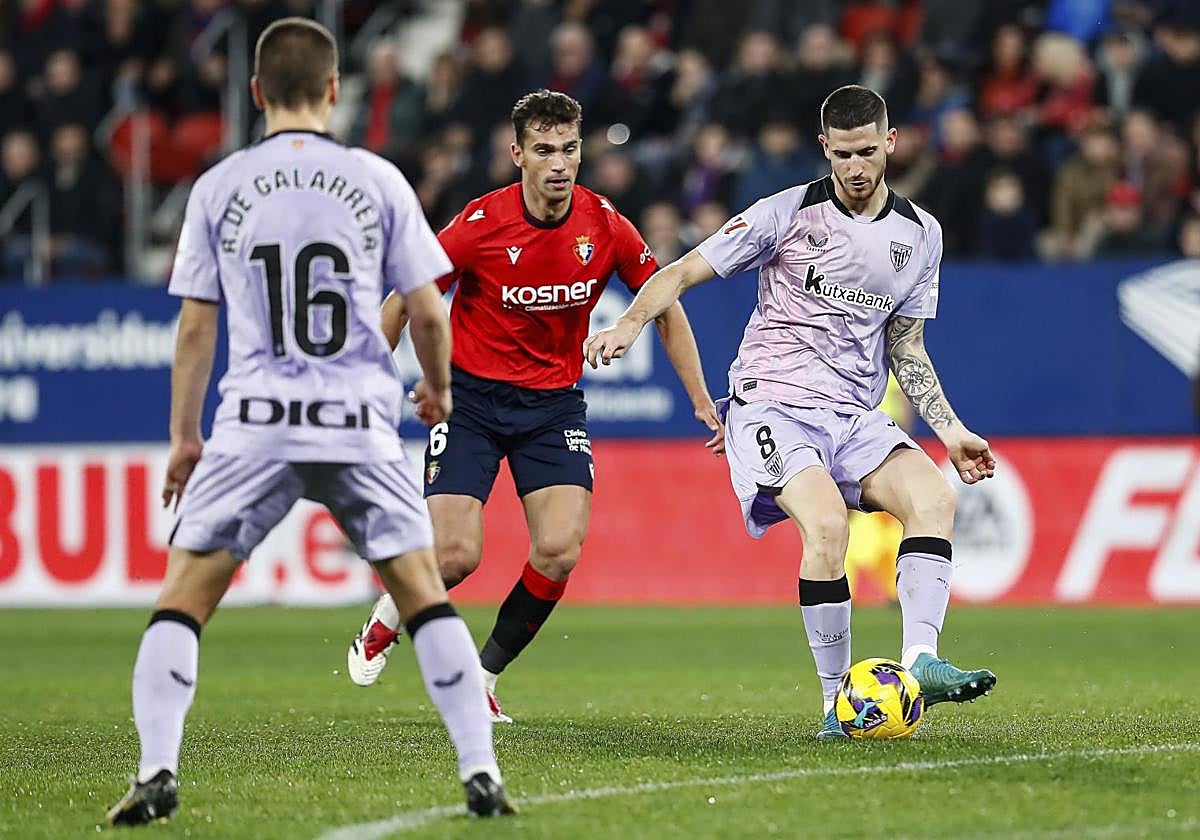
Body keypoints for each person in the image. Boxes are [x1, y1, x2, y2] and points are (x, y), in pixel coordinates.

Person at [106, 19, 513, 825]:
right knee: (423, 597)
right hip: (357, 417)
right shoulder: (378, 179)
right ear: (333, 90)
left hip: (255, 421)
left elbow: (195, 328)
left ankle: (157, 768)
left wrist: (185, 438)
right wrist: (438, 390)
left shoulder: (219, 185)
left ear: (256, 94)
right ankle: (480, 774)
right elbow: (430, 309)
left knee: (182, 601)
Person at [584, 85, 997, 739]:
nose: (856, 168)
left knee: (934, 499)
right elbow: (682, 272)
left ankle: (921, 662)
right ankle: (836, 701)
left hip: (853, 413)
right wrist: (631, 324)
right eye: (843, 155)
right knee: (828, 528)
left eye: (868, 152)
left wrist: (952, 430)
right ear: (824, 149)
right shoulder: (784, 215)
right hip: (772, 405)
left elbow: (907, 346)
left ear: (889, 144)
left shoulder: (921, 235)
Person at [346, 89, 720, 723]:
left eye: (569, 149)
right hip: (469, 402)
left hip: (552, 407)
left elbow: (665, 302)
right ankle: (387, 618)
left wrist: (701, 400)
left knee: (559, 549)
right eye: (544, 150)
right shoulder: (481, 225)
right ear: (517, 153)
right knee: (457, 556)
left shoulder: (604, 224)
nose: (559, 164)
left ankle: (480, 677)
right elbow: (405, 299)